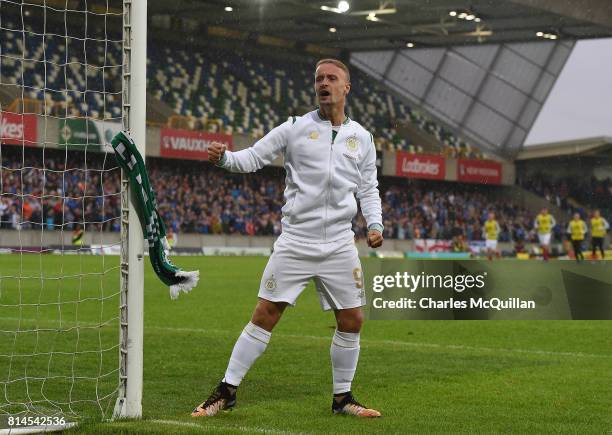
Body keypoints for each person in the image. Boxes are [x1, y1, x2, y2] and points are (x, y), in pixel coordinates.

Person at [191, 59, 384, 418]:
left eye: (332, 78)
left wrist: (375, 225)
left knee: (353, 319)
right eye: (319, 79)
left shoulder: (363, 138)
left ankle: (342, 399)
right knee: (266, 313)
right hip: (297, 240)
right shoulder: (295, 127)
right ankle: (226, 391)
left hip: (341, 243)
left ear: (346, 88)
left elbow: (368, 189)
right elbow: (252, 157)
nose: (323, 83)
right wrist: (224, 159)